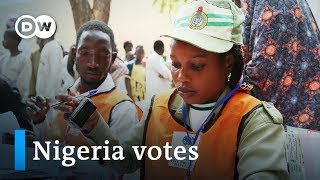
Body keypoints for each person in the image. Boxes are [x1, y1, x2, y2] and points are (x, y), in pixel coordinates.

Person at [55, 0, 289, 179]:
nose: (181, 77)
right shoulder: (158, 108)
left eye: (197, 66)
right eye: (175, 64)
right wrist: (95, 124)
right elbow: (125, 161)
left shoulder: (255, 122)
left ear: (228, 62)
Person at [27, 20, 142, 150]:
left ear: (113, 58)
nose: (93, 63)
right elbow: (54, 148)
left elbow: (121, 166)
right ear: (75, 54)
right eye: (85, 53)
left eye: (103, 55)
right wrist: (40, 122)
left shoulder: (122, 108)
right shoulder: (70, 95)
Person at [241, 0, 320, 130]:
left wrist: (227, 79)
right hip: (303, 115)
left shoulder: (273, 5)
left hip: (288, 124)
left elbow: (262, 70)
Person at [0, 29, 31, 102]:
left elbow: (23, 85)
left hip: (16, 100)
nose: (3, 41)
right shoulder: (3, 59)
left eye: (6, 38)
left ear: (15, 41)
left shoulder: (24, 60)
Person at [35, 28, 63, 101]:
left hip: (50, 100)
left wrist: (50, 98)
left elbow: (55, 75)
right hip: (44, 98)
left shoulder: (54, 47)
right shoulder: (48, 47)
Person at [146, 40, 172, 104]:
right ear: (161, 48)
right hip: (157, 94)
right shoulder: (155, 58)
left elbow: (164, 72)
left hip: (157, 93)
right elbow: (166, 73)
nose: (164, 50)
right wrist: (170, 77)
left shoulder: (156, 57)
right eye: (163, 48)